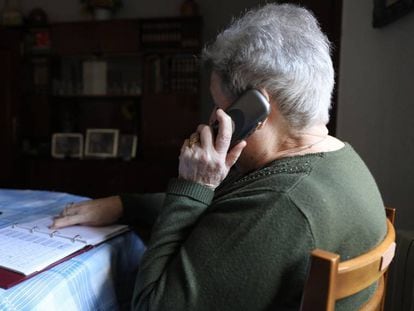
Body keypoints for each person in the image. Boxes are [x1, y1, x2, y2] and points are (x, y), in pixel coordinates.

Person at [52, 3, 387, 310]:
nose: (213, 114)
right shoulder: (340, 160)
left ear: (255, 109)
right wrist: (124, 204)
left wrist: (191, 183)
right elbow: (225, 207)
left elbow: (152, 305)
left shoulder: (279, 205)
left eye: (220, 103)